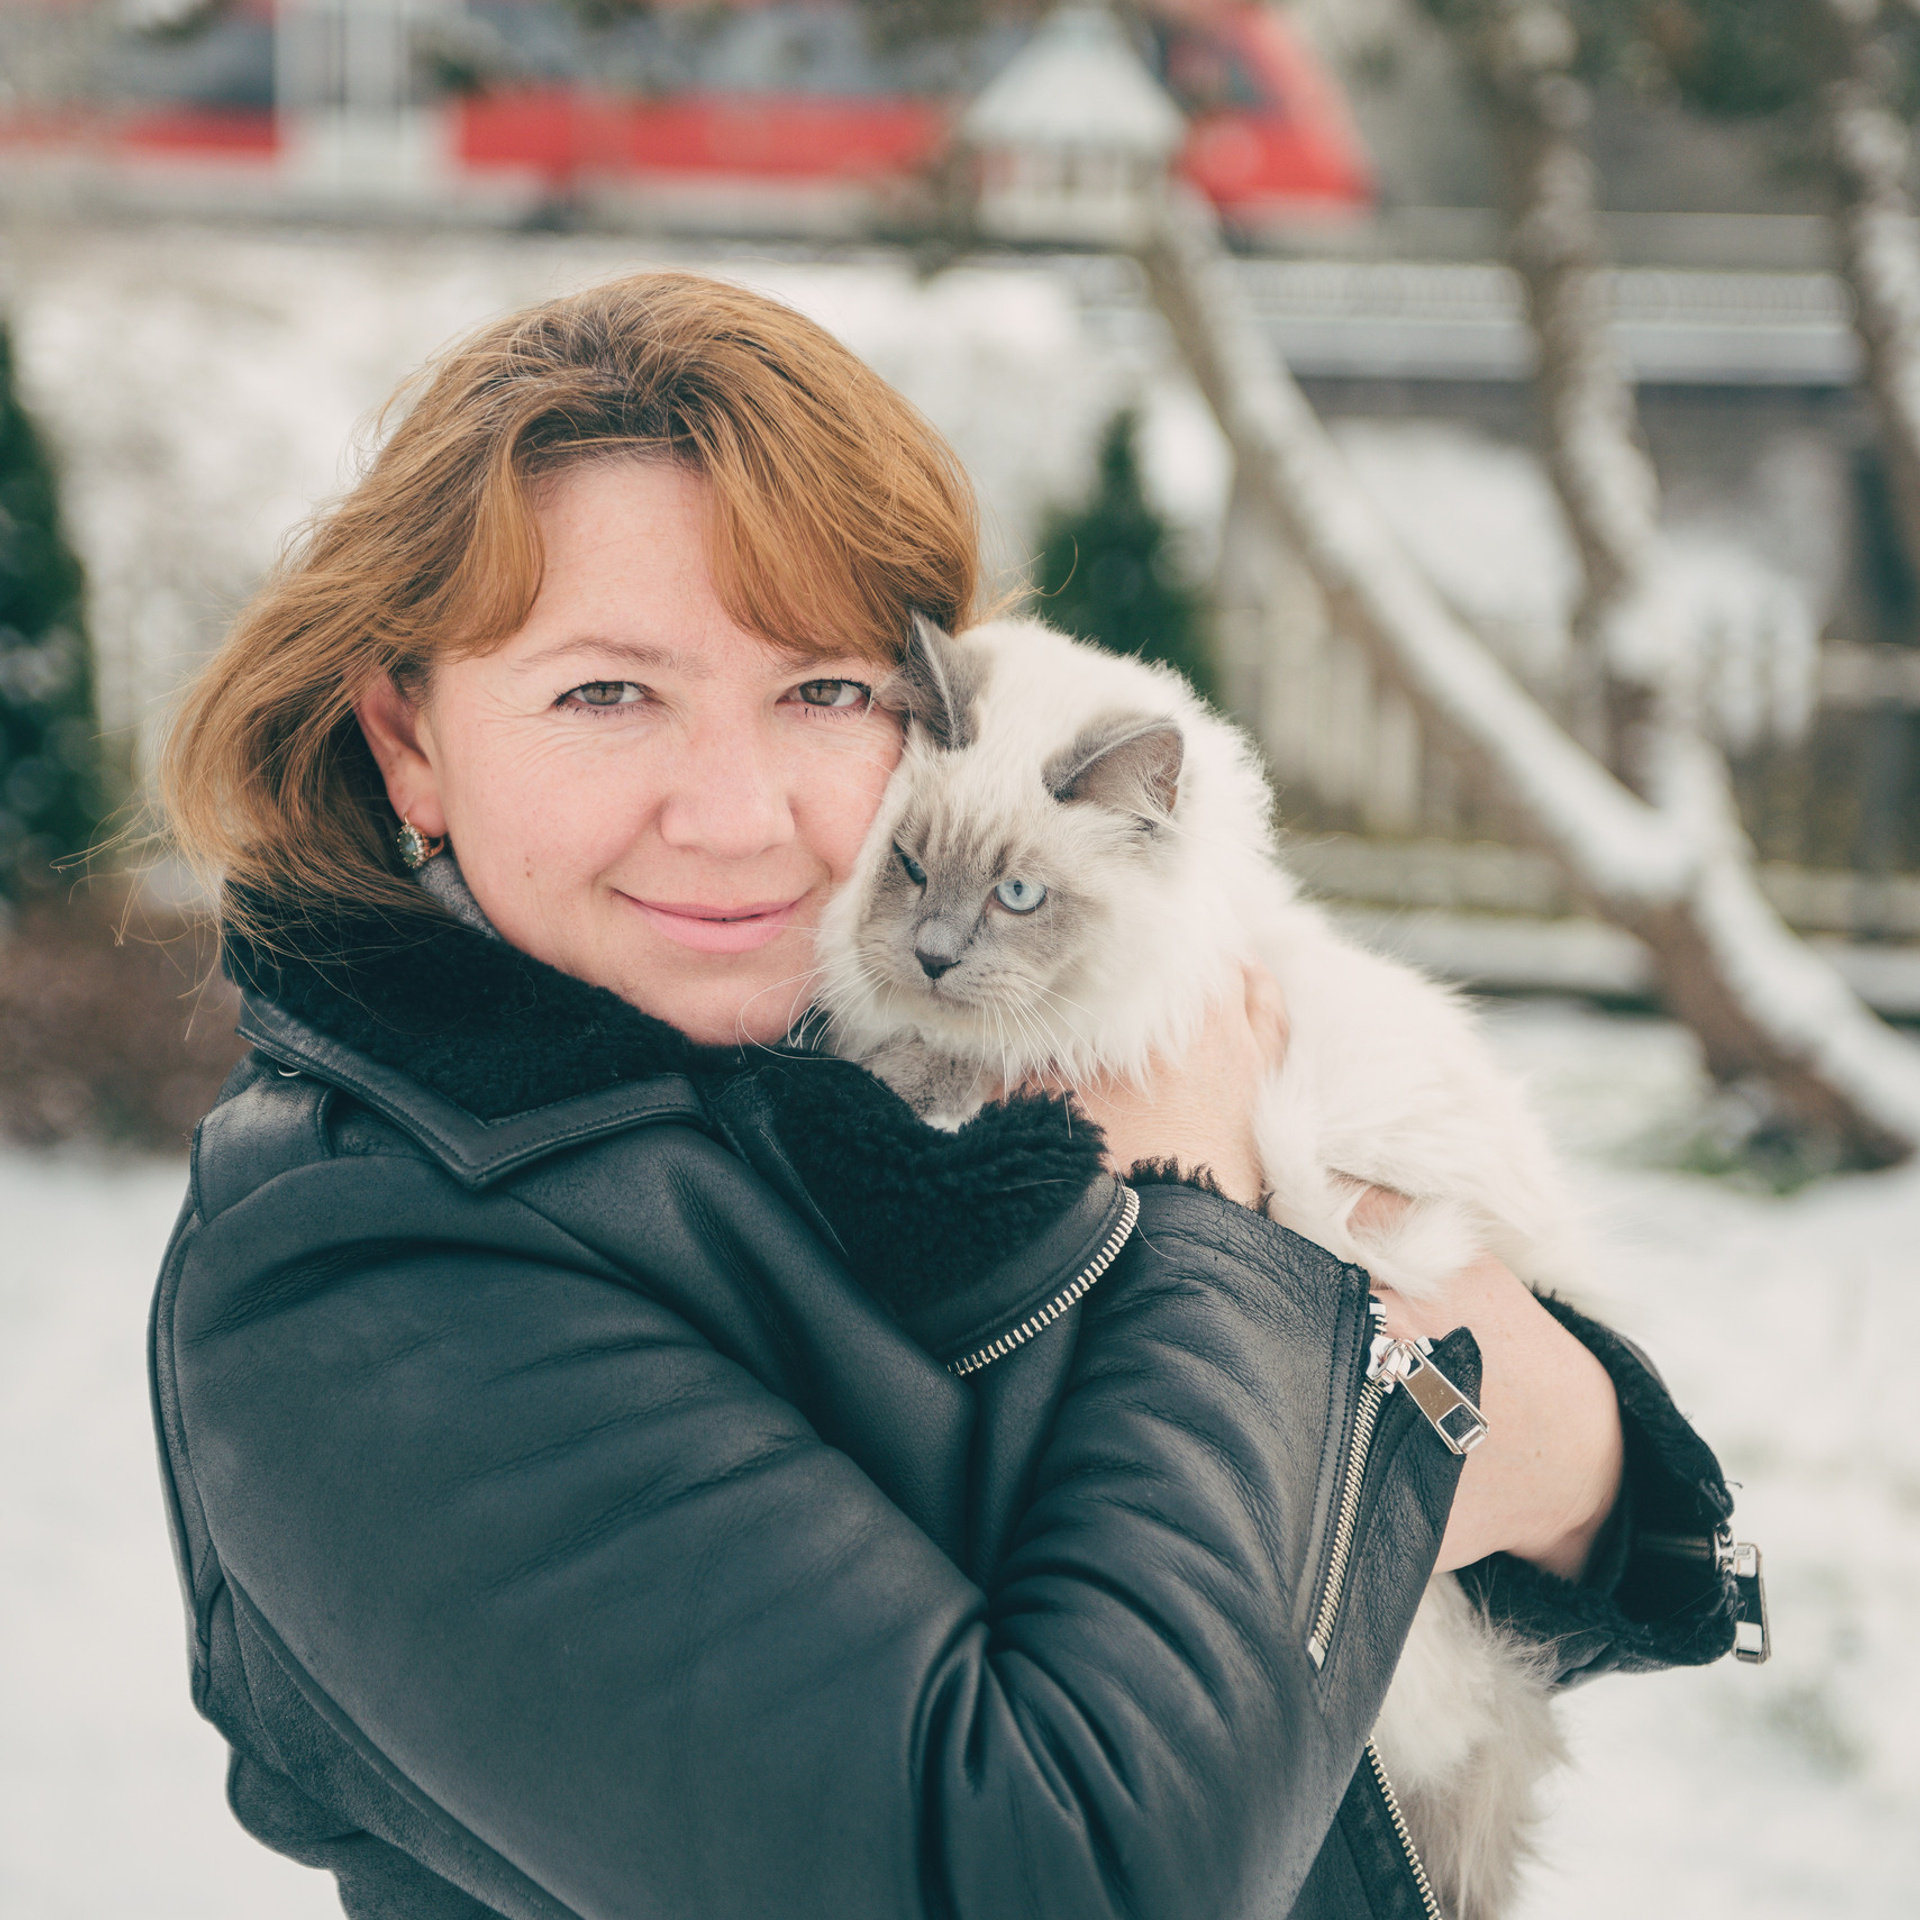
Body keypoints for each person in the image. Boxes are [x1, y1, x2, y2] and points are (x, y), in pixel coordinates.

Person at [150, 273, 1741, 1920]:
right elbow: (1070, 1876)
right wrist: (1217, 1221)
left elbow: (1561, 1550)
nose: (735, 813)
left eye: (825, 690)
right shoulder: (352, 1285)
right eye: (605, 693)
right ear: (408, 741)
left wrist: (1569, 1445)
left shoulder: (843, 1093)